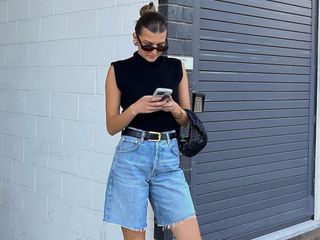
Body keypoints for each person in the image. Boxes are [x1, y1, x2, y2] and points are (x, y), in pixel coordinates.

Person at [103, 2, 202, 240]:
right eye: (148, 45)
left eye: (161, 46)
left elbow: (187, 121)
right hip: (131, 160)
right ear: (135, 38)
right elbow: (111, 126)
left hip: (168, 161)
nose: (154, 52)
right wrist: (136, 108)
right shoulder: (118, 70)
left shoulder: (175, 67)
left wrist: (175, 108)